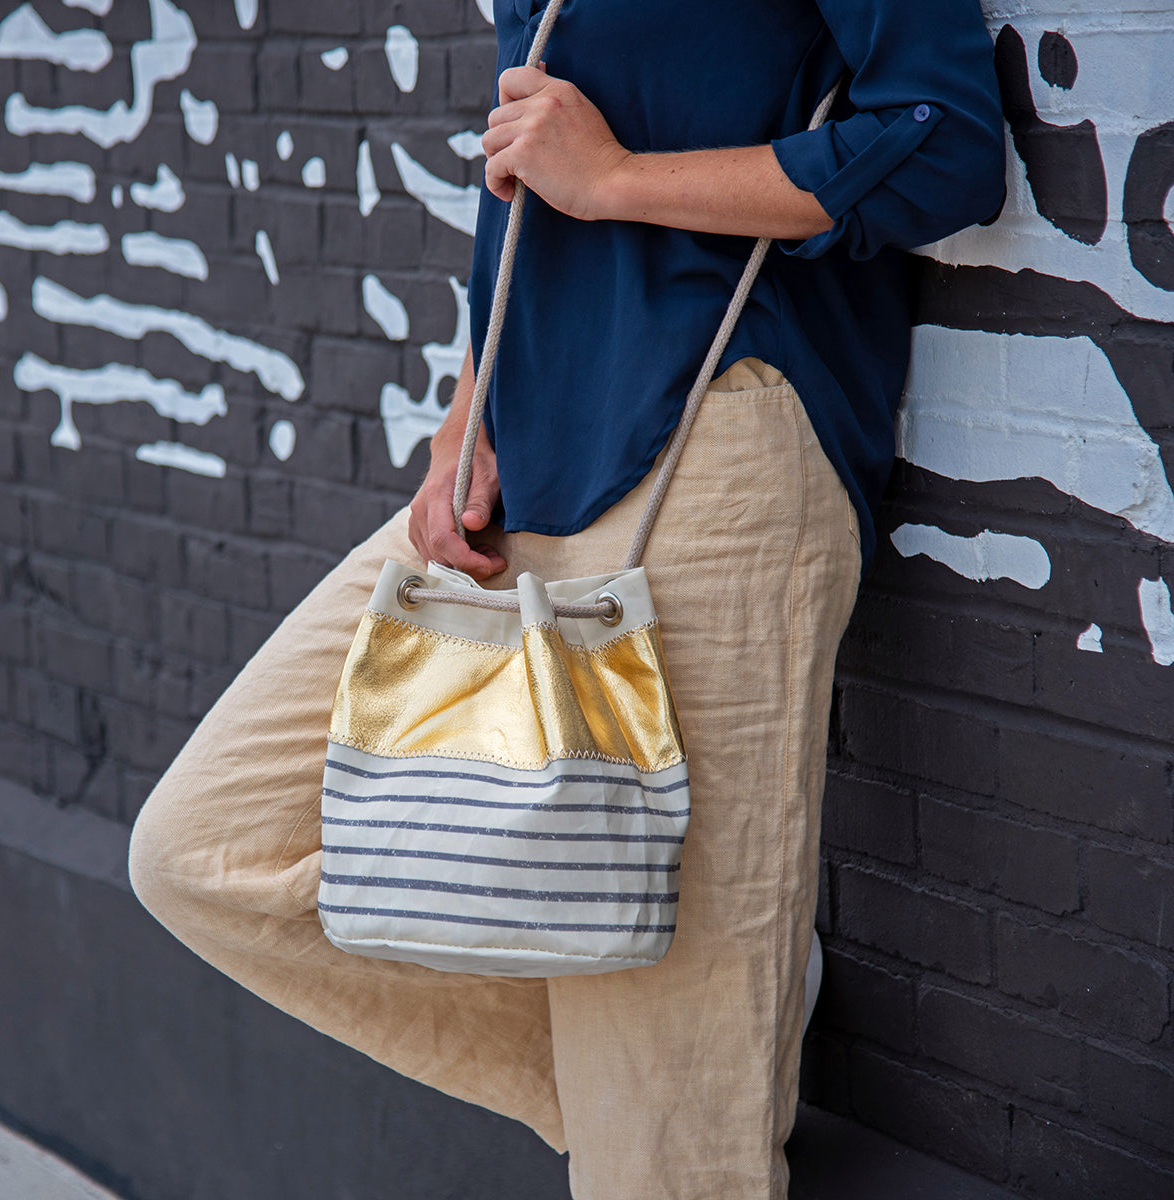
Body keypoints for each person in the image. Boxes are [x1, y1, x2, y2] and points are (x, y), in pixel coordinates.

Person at [129, 2, 1005, 1197]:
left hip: (714, 444)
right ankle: (691, 1063)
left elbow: (942, 142)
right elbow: (527, 189)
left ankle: (691, 1082)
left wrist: (618, 177)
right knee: (200, 850)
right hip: (526, 435)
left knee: (666, 1144)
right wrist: (461, 417)